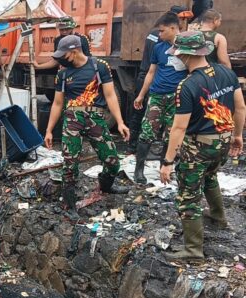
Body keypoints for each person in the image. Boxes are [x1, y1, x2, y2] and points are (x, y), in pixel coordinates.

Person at [159, 31, 245, 263]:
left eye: (177, 53)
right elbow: (240, 107)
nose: (175, 57)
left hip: (199, 146)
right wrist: (237, 135)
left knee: (188, 197)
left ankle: (193, 251)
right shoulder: (227, 73)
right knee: (210, 176)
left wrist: (167, 162)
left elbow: (179, 129)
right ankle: (218, 217)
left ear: (186, 55)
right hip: (223, 141)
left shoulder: (188, 85)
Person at [43, 35, 131, 210]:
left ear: (74, 51)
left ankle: (106, 186)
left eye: (64, 55)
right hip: (72, 119)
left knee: (112, 160)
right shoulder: (62, 73)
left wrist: (120, 122)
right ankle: (69, 203)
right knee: (70, 163)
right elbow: (58, 103)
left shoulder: (99, 67)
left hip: (95, 119)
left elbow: (110, 95)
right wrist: (49, 130)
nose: (62, 59)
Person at [133, 12, 190, 184]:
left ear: (173, 28)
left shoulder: (188, 48)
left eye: (162, 31)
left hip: (177, 98)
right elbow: (151, 72)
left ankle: (164, 167)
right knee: (147, 133)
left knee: (171, 135)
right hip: (157, 96)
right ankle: (139, 170)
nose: (159, 34)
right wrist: (141, 95)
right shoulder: (159, 48)